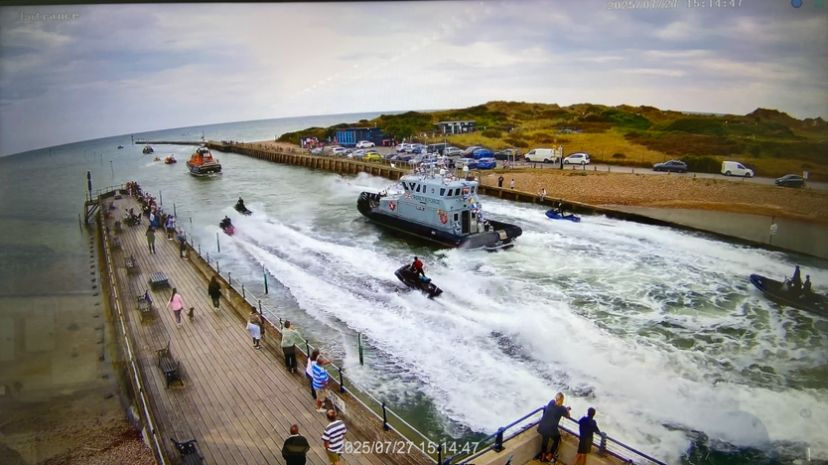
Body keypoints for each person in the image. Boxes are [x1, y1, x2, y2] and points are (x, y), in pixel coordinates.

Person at [537, 392, 571, 463]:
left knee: (545, 440)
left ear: (555, 398)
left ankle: (543, 457)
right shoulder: (562, 409)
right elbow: (568, 416)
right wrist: (567, 410)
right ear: (562, 400)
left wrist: (564, 408)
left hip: (542, 426)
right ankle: (550, 456)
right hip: (551, 429)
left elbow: (553, 408)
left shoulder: (551, 402)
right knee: (557, 438)